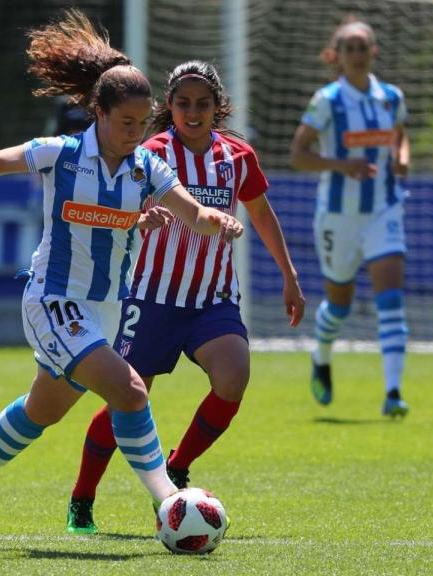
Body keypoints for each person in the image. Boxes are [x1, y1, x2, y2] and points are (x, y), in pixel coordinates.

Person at [0, 10, 244, 543]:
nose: (135, 134)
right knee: (130, 391)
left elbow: (193, 212)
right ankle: (169, 500)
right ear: (99, 113)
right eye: (125, 123)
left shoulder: (147, 168)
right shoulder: (62, 155)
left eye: (142, 124)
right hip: (53, 299)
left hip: (106, 310)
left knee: (42, 410)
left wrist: (218, 221)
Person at [64, 60, 306, 534]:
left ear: (218, 107)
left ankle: (176, 467)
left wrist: (289, 275)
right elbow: (114, 204)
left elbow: (261, 212)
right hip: (150, 298)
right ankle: (82, 497)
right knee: (126, 399)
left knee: (233, 377)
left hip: (213, 298)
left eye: (203, 104)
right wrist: (139, 220)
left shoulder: (237, 156)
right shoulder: (150, 153)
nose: (193, 112)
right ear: (169, 107)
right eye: (183, 103)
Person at [289, 17, 411, 417]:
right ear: (337, 56)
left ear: (373, 52)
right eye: (350, 48)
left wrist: (402, 158)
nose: (357, 54)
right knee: (339, 304)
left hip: (383, 209)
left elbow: (400, 136)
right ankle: (321, 356)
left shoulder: (390, 96)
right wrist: (343, 165)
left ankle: (393, 392)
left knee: (390, 297)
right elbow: (298, 155)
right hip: (338, 217)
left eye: (363, 47)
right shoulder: (327, 100)